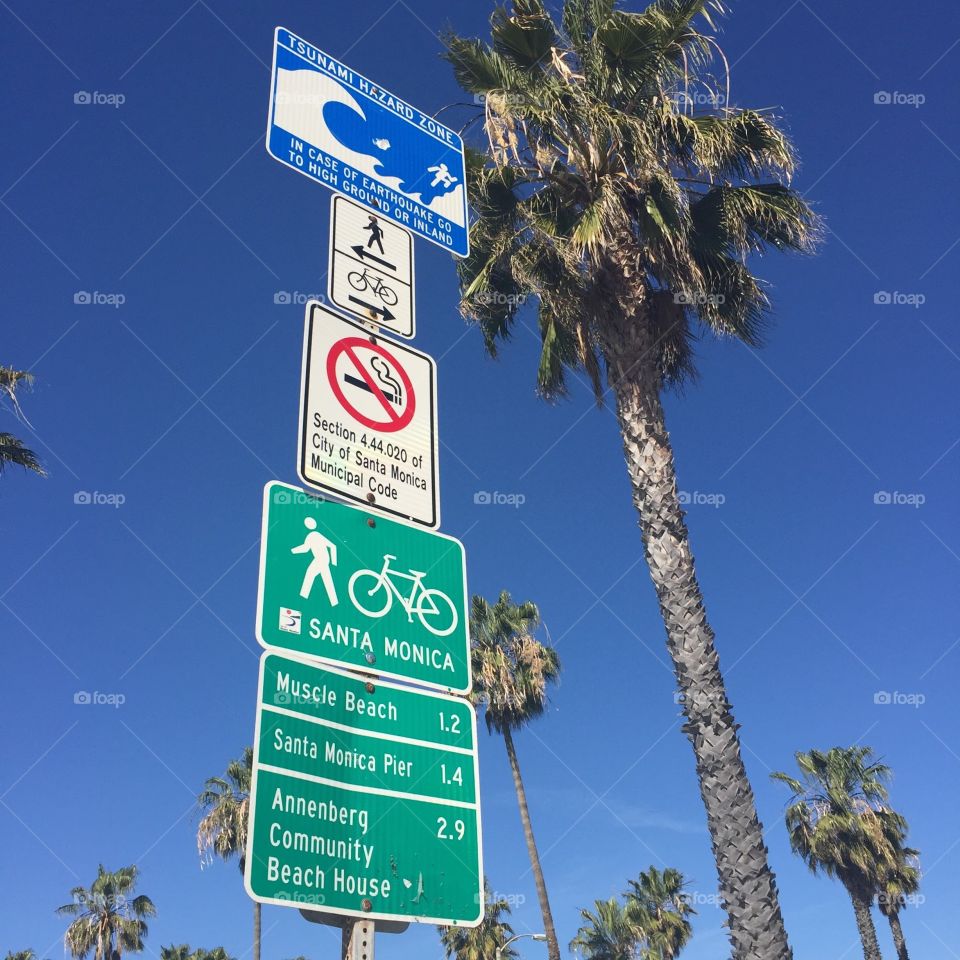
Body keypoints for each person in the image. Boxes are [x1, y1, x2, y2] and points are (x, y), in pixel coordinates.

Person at [291, 517, 339, 605]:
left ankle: (302, 598)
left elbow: (333, 546)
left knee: (312, 574)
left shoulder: (314, 535)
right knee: (325, 579)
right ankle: (334, 602)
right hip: (322, 559)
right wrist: (293, 551)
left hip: (321, 559)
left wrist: (334, 563)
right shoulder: (313, 535)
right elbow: (306, 548)